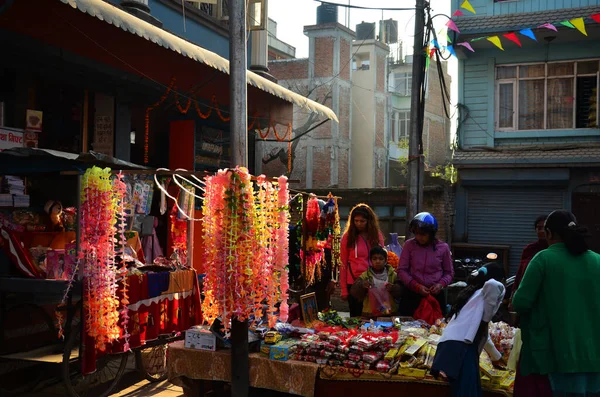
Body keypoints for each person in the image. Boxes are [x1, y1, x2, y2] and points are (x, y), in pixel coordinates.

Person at [512, 210, 600, 397]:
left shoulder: (543, 258)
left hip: (554, 357)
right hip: (593, 357)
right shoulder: (597, 260)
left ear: (549, 233)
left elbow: (520, 303)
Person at [431, 263, 506, 397]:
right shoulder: (485, 291)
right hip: (461, 348)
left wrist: (496, 357)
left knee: (469, 389)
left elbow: (484, 335)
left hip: (450, 346)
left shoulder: (472, 295)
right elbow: (493, 284)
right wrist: (486, 318)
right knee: (468, 392)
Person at [397, 212, 454, 317]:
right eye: (416, 233)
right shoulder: (409, 245)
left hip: (435, 297)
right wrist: (417, 286)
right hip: (412, 295)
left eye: (423, 234)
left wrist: (440, 284)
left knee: (435, 330)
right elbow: (401, 270)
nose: (419, 237)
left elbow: (449, 273)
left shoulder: (443, 248)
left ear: (431, 233)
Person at [340, 203, 384, 317]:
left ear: (369, 221)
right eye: (356, 221)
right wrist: (344, 289)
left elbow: (383, 260)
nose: (359, 224)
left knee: (375, 319)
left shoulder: (377, 236)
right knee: (356, 320)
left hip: (374, 282)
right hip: (354, 283)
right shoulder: (348, 237)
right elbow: (343, 264)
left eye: (362, 221)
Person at [350, 246, 402, 318]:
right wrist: (362, 285)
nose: (377, 261)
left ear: (386, 260)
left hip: (389, 314)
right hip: (369, 315)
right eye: (374, 259)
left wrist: (393, 288)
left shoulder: (393, 275)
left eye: (381, 259)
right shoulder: (365, 275)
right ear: (371, 260)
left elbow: (401, 290)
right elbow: (354, 291)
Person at [510, 215, 548, 304]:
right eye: (539, 228)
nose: (542, 231)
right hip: (527, 294)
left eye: (544, 227)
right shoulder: (529, 249)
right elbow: (520, 274)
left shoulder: (554, 250)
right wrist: (513, 294)